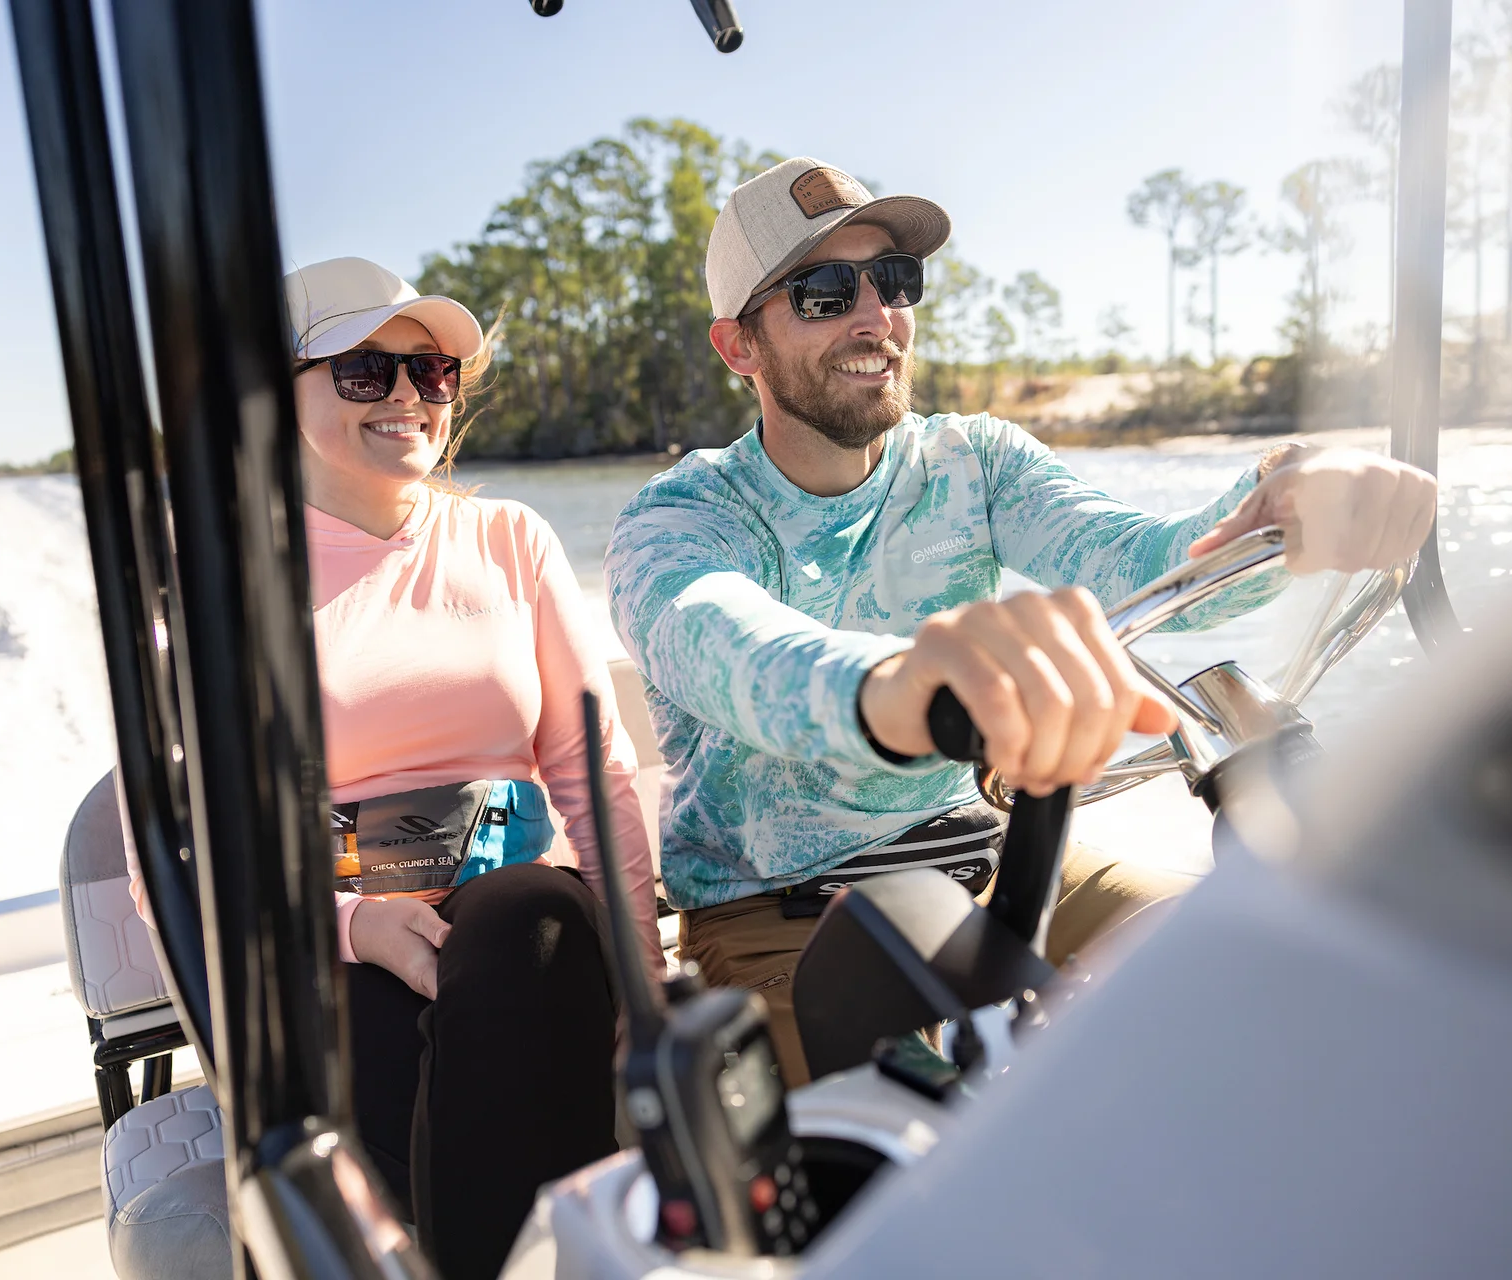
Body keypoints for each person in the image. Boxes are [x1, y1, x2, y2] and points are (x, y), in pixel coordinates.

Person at [605, 158, 1439, 1086]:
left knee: (1288, 984)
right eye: (823, 292)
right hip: (782, 918)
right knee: (922, 1154)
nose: (875, 315)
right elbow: (726, 645)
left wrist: (1283, 501)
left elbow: (1148, 561)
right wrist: (900, 682)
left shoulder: (977, 461)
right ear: (739, 348)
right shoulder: (682, 518)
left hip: (1012, 866)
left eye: (893, 280)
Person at [129, 256, 660, 1280]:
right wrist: (352, 923)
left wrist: (640, 977)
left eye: (434, 372)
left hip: (513, 923)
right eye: (366, 371)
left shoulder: (513, 541)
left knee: (535, 924)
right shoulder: (215, 589)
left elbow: (596, 777)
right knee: (392, 1053)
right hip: (324, 940)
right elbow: (180, 853)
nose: (411, 396)